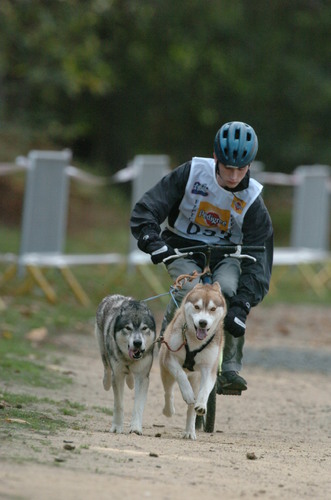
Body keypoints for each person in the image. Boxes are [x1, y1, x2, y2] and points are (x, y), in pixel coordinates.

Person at [130, 121, 273, 394]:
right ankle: (168, 347)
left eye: (240, 169)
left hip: (226, 254)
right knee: (187, 290)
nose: (233, 176)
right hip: (182, 246)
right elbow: (149, 207)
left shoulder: (253, 198)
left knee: (229, 292)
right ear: (216, 157)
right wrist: (151, 239)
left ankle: (229, 369)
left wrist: (243, 304)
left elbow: (260, 257)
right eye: (228, 168)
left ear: (250, 165)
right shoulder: (191, 172)